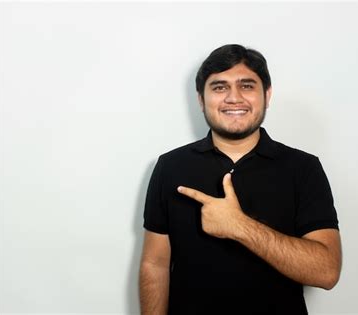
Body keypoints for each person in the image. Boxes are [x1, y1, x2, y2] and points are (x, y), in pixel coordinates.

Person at [139, 44, 342, 315]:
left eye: (247, 86)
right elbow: (155, 263)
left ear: (266, 95)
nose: (234, 98)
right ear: (200, 99)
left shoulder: (303, 168)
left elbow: (326, 272)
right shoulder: (170, 166)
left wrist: (239, 226)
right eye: (219, 87)